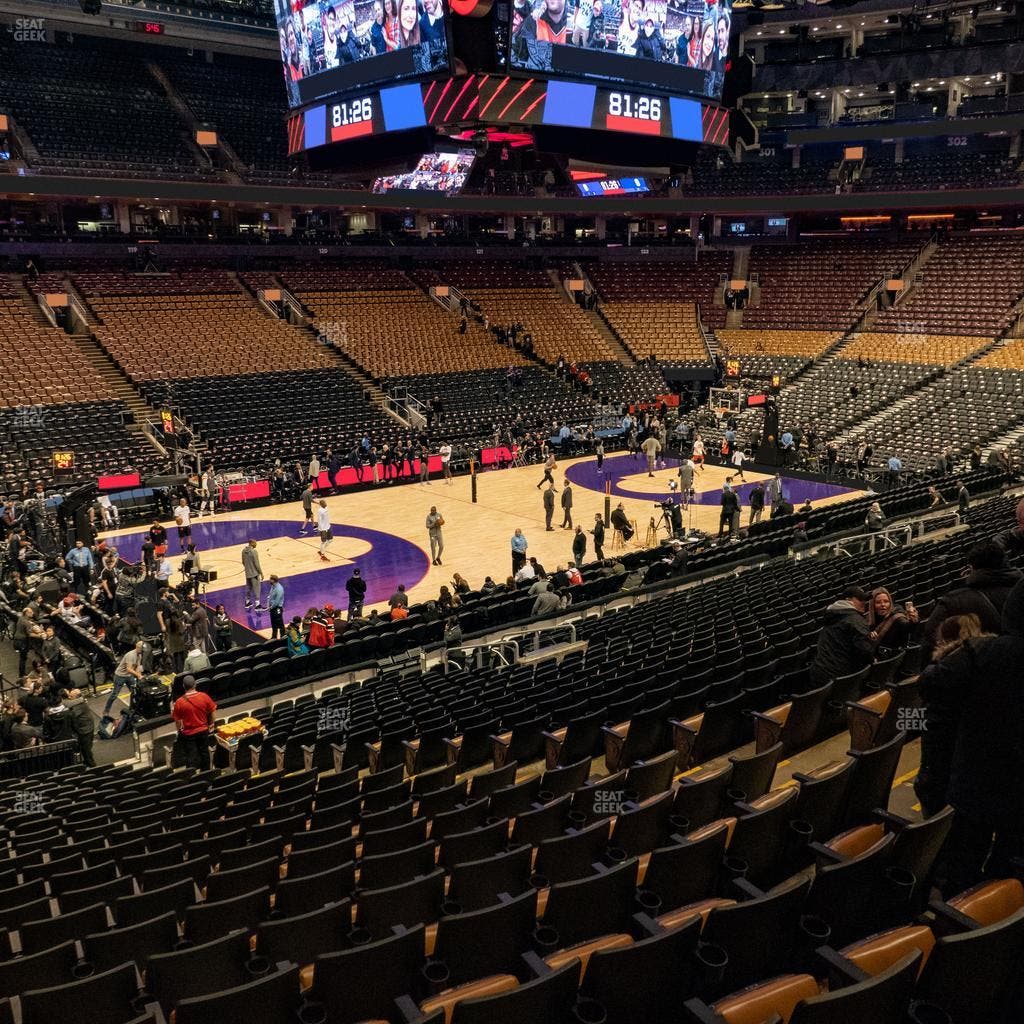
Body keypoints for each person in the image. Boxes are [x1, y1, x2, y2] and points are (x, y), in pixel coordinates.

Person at [917, 579, 1024, 894]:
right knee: (1009, 858)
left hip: (977, 776)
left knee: (964, 857)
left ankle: (962, 910)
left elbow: (930, 685)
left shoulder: (982, 653)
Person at [920, 540, 1022, 661]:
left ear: (972, 568)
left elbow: (931, 637)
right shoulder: (1020, 591)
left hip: (979, 669)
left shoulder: (955, 601)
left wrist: (965, 585)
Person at [809, 585, 875, 686]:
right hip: (840, 676)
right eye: (860, 599)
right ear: (848, 600)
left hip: (820, 672)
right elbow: (864, 650)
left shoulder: (833, 614)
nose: (864, 602)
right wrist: (874, 660)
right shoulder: (855, 619)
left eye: (865, 599)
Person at [171, 676, 216, 770]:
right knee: (204, 754)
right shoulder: (204, 696)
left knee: (191, 756)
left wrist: (179, 730)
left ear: (184, 686)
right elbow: (212, 710)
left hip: (188, 734)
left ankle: (191, 777)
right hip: (203, 731)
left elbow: (177, 721)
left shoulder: (179, 702)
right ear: (195, 684)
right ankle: (206, 774)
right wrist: (212, 723)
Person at [868, 587, 918, 657]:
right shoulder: (869, 619)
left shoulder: (897, 617)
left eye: (886, 601)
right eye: (878, 602)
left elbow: (907, 627)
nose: (883, 605)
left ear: (890, 602)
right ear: (872, 605)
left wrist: (914, 621)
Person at [107, 640, 145, 716]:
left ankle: (132, 708)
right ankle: (106, 711)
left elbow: (138, 667)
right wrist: (138, 675)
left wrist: (140, 676)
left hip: (129, 676)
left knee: (135, 691)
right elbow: (129, 669)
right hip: (120, 676)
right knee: (114, 694)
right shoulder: (130, 655)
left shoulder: (139, 655)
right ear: (138, 648)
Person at [64, 688, 95, 767]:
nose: (69, 698)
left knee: (86, 749)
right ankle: (87, 761)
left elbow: (72, 715)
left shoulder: (79, 705)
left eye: (71, 696)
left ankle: (91, 765)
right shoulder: (80, 702)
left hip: (86, 729)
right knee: (85, 747)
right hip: (85, 727)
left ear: (76, 697)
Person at [242, 539, 264, 610]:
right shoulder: (254, 551)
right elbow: (257, 564)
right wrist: (261, 573)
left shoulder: (243, 551)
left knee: (248, 588)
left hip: (247, 573)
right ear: (251, 543)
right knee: (257, 589)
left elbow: (243, 562)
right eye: (255, 543)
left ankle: (247, 602)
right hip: (254, 574)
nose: (256, 544)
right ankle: (257, 605)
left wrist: (248, 568)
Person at [268, 574, 286, 640]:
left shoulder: (279, 589)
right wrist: (269, 606)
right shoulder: (273, 586)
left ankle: (283, 637)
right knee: (273, 624)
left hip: (277, 608)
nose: (269, 580)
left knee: (280, 624)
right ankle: (274, 637)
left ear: (273, 580)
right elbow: (270, 597)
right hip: (273, 608)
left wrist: (271, 607)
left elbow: (277, 601)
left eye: (270, 579)